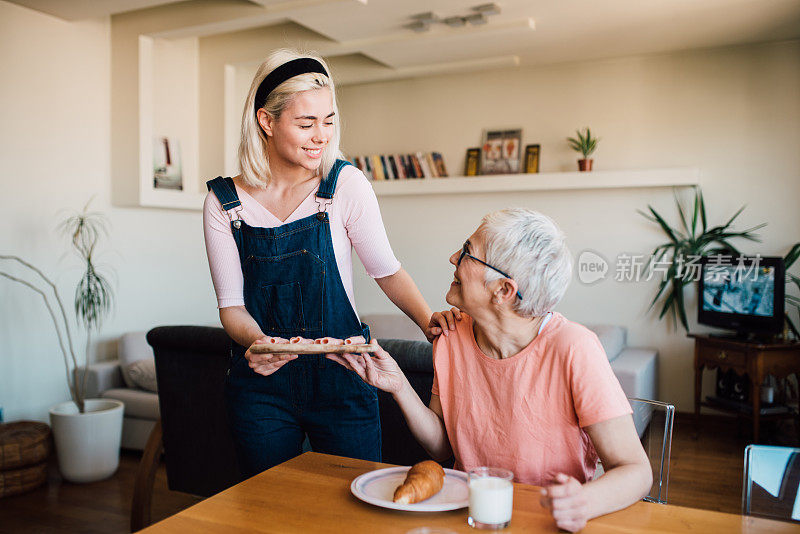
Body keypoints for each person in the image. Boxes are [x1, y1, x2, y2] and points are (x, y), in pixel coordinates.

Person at [203, 49, 453, 478]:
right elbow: (231, 308)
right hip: (262, 387)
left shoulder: (343, 186)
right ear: (266, 120)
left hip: (345, 377)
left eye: (329, 120)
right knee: (270, 509)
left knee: (354, 508)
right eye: (306, 123)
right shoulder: (224, 203)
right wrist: (260, 344)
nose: (321, 135)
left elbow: (386, 271)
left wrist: (427, 322)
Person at [329, 208, 652, 532]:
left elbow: (636, 471)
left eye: (468, 252)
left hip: (545, 522)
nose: (454, 257)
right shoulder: (452, 338)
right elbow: (441, 445)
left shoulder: (574, 348)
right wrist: (399, 384)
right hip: (470, 518)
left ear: (503, 290)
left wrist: (584, 501)